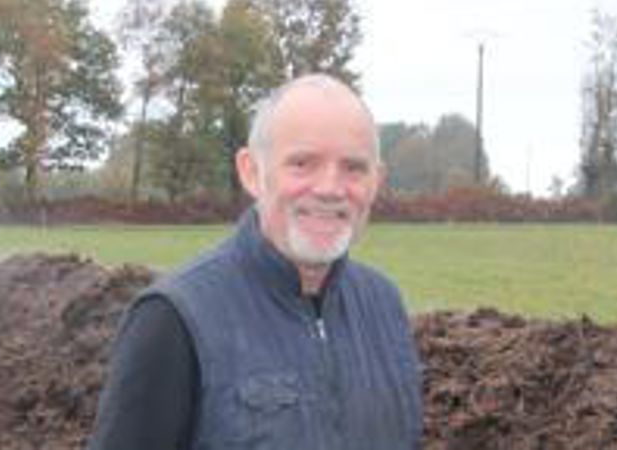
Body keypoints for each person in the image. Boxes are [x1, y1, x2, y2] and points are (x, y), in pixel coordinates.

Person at [88, 74, 423, 450]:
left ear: (376, 181)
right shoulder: (173, 319)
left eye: (353, 168)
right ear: (251, 171)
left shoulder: (384, 306)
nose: (330, 188)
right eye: (302, 163)